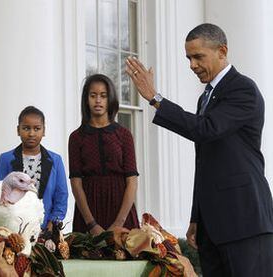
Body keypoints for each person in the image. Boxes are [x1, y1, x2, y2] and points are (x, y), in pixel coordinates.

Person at [126, 23, 273, 276]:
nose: (192, 65)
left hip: (244, 222)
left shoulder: (243, 89)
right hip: (212, 227)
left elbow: (206, 129)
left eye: (198, 57)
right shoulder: (205, 98)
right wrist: (197, 217)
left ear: (222, 51)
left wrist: (155, 98)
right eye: (188, 58)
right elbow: (204, 162)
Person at [68, 74, 140, 236]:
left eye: (103, 96)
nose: (98, 100)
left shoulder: (124, 135)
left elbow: (132, 181)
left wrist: (118, 223)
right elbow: (76, 183)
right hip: (88, 211)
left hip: (121, 210)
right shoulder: (76, 137)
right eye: (93, 96)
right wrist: (91, 224)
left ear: (110, 99)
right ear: (86, 100)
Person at [0, 106, 68, 231]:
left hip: (47, 229)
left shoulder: (55, 160)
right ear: (18, 130)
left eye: (37, 128)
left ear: (44, 131)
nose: (31, 133)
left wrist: (53, 224)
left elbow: (61, 196)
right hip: (15, 230)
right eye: (26, 128)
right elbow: (0, 193)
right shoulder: (6, 159)